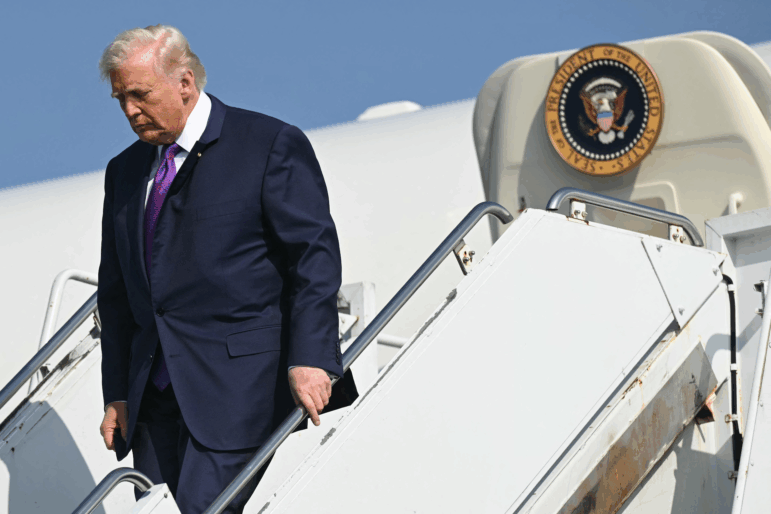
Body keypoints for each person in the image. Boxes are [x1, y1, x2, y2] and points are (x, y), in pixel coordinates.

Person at [96, 24, 356, 513]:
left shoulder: (267, 144)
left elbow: (313, 258)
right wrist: (118, 393)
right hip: (156, 408)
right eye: (120, 99)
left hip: (243, 392)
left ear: (186, 83)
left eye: (140, 94)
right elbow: (116, 295)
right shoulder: (125, 172)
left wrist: (314, 357)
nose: (130, 110)